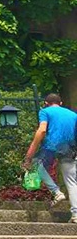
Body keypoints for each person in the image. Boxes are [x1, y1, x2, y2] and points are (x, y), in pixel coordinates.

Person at [23, 93, 77, 221]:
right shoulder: (74, 115)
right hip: (69, 148)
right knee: (71, 181)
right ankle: (76, 214)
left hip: (51, 146)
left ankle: (56, 192)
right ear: (61, 103)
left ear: (46, 103)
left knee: (36, 164)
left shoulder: (45, 111)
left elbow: (42, 130)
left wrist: (30, 154)